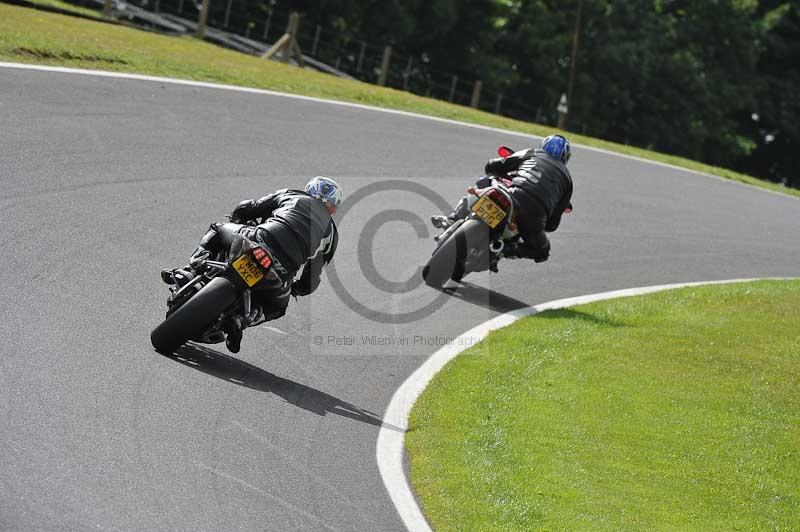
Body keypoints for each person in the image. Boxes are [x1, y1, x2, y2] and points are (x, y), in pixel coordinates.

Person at [161, 176, 342, 353]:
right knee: (278, 308)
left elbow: (249, 207)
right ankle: (242, 319)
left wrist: (236, 219)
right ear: (333, 208)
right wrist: (296, 289)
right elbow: (312, 277)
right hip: (282, 271)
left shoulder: (293, 195)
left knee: (217, 228)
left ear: (310, 190)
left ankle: (190, 270)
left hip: (256, 240)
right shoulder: (332, 235)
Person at [431, 134, 573, 263]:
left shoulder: (534, 153)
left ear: (543, 145)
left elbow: (494, 164)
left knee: (485, 182)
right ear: (565, 158)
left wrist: (494, 168)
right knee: (542, 251)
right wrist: (541, 223)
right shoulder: (567, 181)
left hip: (513, 195)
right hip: (534, 216)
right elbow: (552, 225)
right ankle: (503, 251)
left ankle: (453, 218)